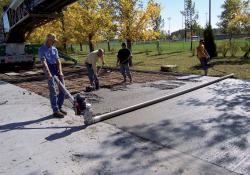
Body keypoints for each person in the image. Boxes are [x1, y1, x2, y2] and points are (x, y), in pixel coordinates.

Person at [38, 33, 67, 118]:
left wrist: (60, 72)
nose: (54, 42)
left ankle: (59, 107)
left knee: (63, 89)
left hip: (56, 68)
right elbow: (44, 62)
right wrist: (48, 73)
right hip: (49, 68)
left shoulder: (54, 49)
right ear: (48, 40)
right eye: (52, 40)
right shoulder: (41, 49)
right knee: (53, 91)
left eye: (54, 41)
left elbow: (58, 61)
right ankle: (55, 110)